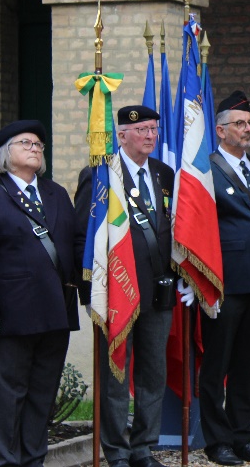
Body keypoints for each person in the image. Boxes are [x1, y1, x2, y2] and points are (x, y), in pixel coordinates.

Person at [75, 105, 175, 467]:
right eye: (142, 130)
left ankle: (143, 448)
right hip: (117, 291)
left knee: (153, 373)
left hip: (158, 291)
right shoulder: (101, 175)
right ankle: (116, 451)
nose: (150, 136)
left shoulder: (163, 173)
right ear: (121, 135)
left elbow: (169, 226)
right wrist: (90, 291)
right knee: (116, 375)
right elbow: (83, 235)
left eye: (153, 129)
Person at [0, 120, 82, 467]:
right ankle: (8, 462)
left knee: (42, 394)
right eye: (26, 143)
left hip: (55, 311)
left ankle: (34, 460)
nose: (35, 148)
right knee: (8, 396)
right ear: (5, 154)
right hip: (10, 316)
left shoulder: (56, 193)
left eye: (39, 144)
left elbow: (74, 245)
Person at [187, 91, 250, 466]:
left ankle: (243, 437)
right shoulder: (206, 171)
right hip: (223, 282)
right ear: (221, 130)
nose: (247, 129)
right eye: (239, 123)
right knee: (217, 365)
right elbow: (196, 226)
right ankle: (217, 441)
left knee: (246, 365)